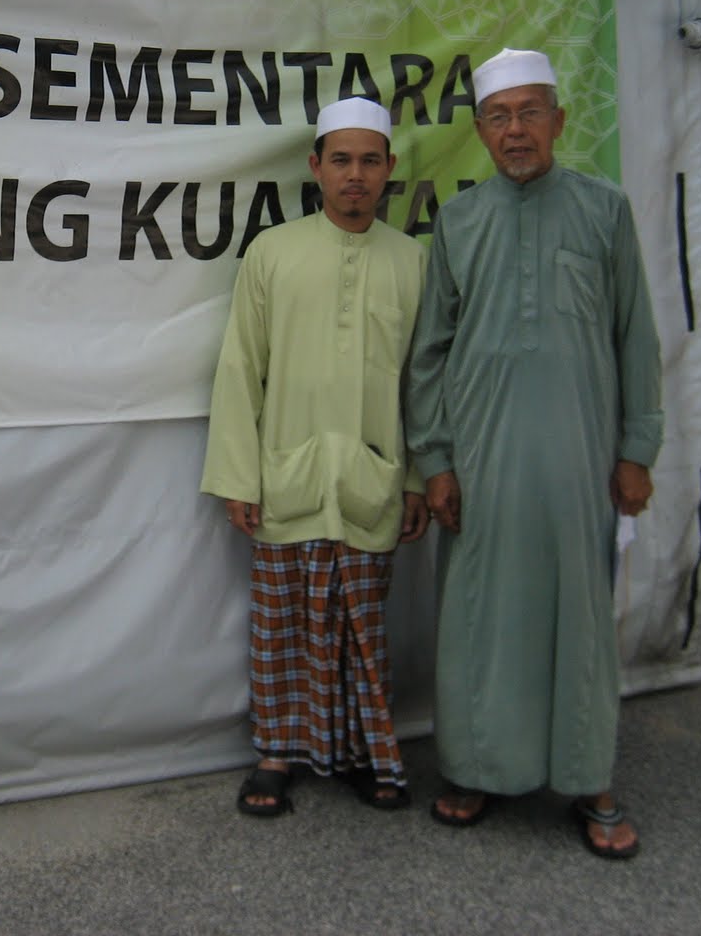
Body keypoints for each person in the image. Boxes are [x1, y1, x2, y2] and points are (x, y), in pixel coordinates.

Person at [404, 48, 662, 859]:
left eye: (529, 113)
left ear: (559, 119)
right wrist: (436, 459)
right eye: (498, 116)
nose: (515, 131)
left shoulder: (604, 210)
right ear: (480, 129)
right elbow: (430, 353)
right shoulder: (459, 219)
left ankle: (589, 777)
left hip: (580, 456)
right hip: (480, 456)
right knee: (481, 616)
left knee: (579, 614)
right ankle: (476, 768)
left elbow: (636, 337)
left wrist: (636, 448)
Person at [201, 96, 429, 818]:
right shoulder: (274, 252)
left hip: (370, 476)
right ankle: (276, 754)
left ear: (390, 169)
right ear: (316, 168)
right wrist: (240, 474)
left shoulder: (413, 261)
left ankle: (366, 753)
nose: (354, 175)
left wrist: (422, 476)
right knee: (279, 627)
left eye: (369, 161)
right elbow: (241, 367)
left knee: (363, 628)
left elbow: (428, 383)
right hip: (287, 474)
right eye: (341, 161)